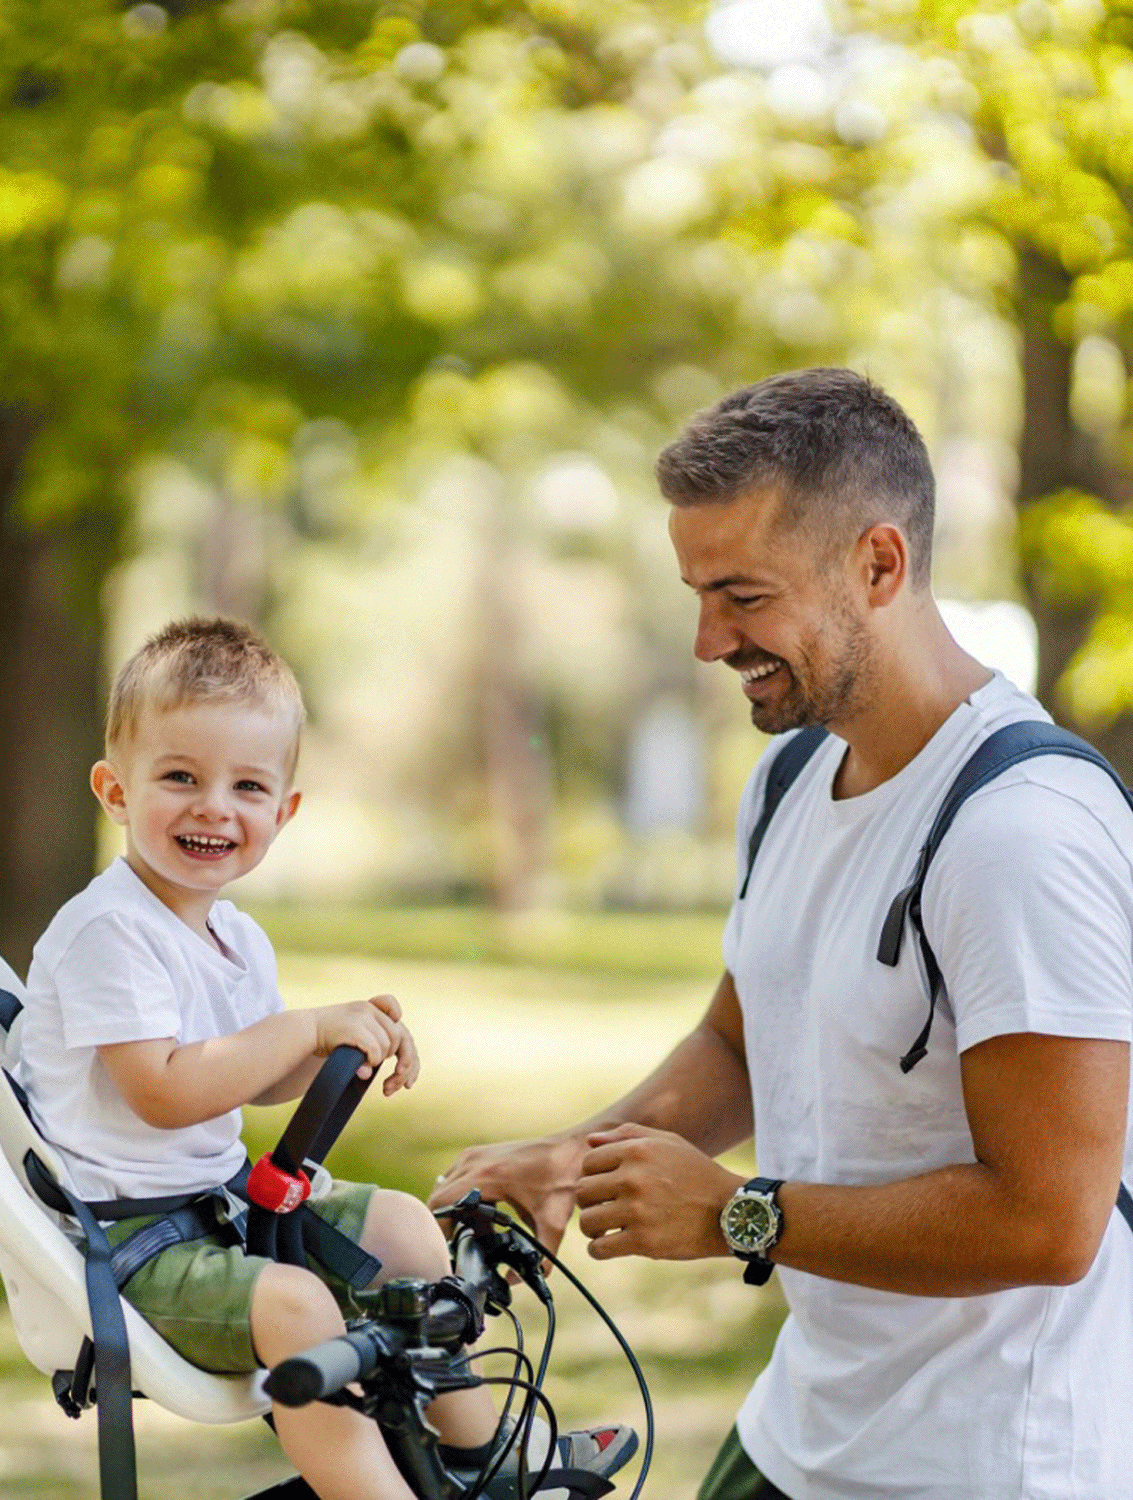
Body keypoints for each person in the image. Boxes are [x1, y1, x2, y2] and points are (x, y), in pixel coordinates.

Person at [431, 368, 1133, 1500]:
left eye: (743, 596)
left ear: (880, 564)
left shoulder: (1020, 833)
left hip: (989, 1465)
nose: (709, 639)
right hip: (803, 1430)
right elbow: (741, 1042)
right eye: (697, 592)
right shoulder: (794, 772)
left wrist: (736, 1214)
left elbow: (1051, 1222)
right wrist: (579, 1157)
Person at [18, 616, 635, 1500]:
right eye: (180, 777)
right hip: (128, 1247)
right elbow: (163, 1091)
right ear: (115, 791)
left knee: (403, 1229)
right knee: (300, 1306)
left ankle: (479, 1456)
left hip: (215, 1208)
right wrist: (305, 1029)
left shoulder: (234, 934)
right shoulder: (108, 933)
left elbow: (252, 1076)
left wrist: (336, 1050)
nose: (214, 807)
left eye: (247, 786)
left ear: (284, 810)